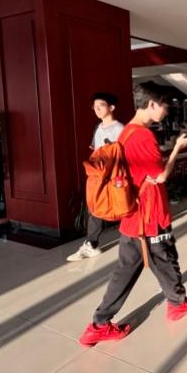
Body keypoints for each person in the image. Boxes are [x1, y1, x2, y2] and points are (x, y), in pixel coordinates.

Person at [78, 82, 187, 347]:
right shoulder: (143, 136)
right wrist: (178, 148)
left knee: (128, 270)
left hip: (132, 216)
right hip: (149, 215)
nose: (166, 111)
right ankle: (177, 304)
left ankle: (99, 324)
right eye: (165, 106)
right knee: (165, 258)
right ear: (152, 104)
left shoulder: (125, 132)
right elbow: (160, 176)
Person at [67, 92, 124, 262]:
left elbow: (123, 155)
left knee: (122, 204)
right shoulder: (98, 128)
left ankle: (135, 236)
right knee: (95, 207)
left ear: (111, 107)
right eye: (95, 107)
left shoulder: (120, 129)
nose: (97, 109)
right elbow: (96, 152)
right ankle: (91, 244)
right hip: (100, 175)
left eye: (101, 106)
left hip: (115, 176)